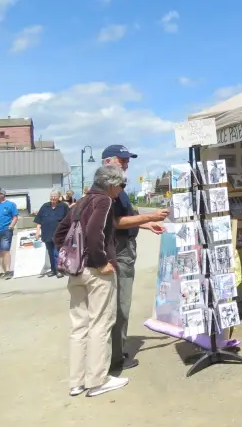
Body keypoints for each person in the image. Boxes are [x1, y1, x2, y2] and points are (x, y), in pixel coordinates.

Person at [54, 164, 128, 397]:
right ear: (111, 184)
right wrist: (101, 261)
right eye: (121, 185)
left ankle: (76, 382)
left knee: (79, 326)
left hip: (76, 272)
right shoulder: (103, 201)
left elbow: (59, 234)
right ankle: (97, 380)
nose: (121, 190)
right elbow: (96, 232)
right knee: (100, 323)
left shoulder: (81, 202)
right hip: (96, 273)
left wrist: (71, 256)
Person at [101, 144, 168, 373]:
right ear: (108, 162)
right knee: (120, 305)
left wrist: (148, 224)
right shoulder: (108, 190)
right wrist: (150, 216)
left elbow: (128, 215)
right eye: (122, 160)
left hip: (123, 249)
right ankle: (115, 358)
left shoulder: (117, 189)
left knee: (121, 304)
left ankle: (116, 352)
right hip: (119, 251)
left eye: (127, 160)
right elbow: (116, 222)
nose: (126, 164)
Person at [35, 190, 70, 278]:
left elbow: (69, 220)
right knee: (50, 252)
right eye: (51, 196)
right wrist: (37, 232)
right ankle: (53, 270)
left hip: (59, 234)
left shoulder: (63, 206)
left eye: (55, 196)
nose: (53, 198)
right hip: (47, 234)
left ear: (59, 197)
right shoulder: (45, 206)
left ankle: (59, 270)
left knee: (56, 252)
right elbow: (39, 220)